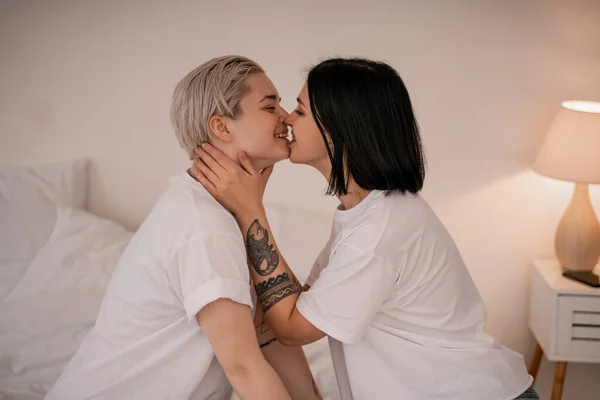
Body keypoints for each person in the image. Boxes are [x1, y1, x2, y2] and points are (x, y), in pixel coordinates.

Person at [190, 57, 539, 400]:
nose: (287, 119)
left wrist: (251, 211)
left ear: (337, 128)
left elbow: (292, 328)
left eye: (299, 109)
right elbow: (303, 305)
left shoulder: (381, 229)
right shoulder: (362, 213)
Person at [46, 56, 321, 400]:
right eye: (270, 107)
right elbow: (245, 370)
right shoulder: (203, 225)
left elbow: (269, 334)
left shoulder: (229, 212)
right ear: (221, 127)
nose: (286, 117)